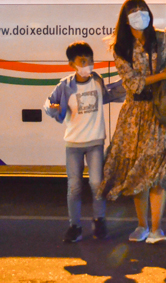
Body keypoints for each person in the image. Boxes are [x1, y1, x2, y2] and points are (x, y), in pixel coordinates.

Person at [97, 0, 166, 245]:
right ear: (125, 19)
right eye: (134, 11)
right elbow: (132, 83)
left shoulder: (162, 37)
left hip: (161, 112)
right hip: (135, 114)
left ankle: (156, 229)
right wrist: (163, 75)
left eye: (143, 9)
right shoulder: (120, 48)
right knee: (139, 169)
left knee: (160, 170)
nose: (140, 14)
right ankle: (142, 226)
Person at [44, 41, 112, 243]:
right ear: (71, 64)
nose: (88, 64)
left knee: (96, 184)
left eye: (90, 60)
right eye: (83, 61)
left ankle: (99, 220)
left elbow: (111, 95)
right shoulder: (65, 85)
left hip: (95, 142)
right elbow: (48, 104)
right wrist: (54, 108)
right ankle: (75, 226)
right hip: (73, 143)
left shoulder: (97, 81)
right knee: (74, 187)